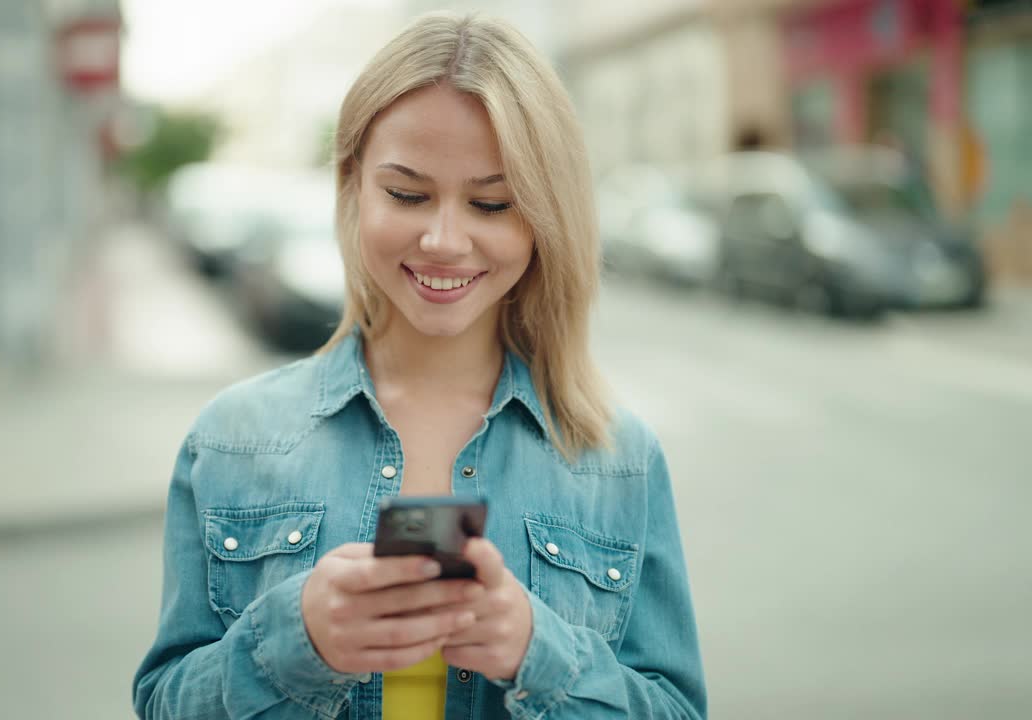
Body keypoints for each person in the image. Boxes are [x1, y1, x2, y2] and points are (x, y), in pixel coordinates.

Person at [132, 12, 706, 720]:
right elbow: (163, 704)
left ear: (544, 216)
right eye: (406, 194)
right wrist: (296, 641)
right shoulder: (231, 439)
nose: (443, 239)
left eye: (492, 203)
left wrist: (538, 651)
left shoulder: (618, 459)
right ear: (353, 188)